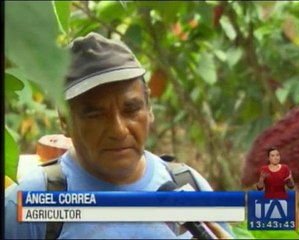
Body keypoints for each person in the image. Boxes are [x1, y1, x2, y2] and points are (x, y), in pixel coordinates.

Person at [5, 32, 233, 239]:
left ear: (149, 109)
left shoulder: (190, 187)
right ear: (65, 121)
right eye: (95, 114)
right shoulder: (28, 206)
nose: (118, 129)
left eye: (131, 110)